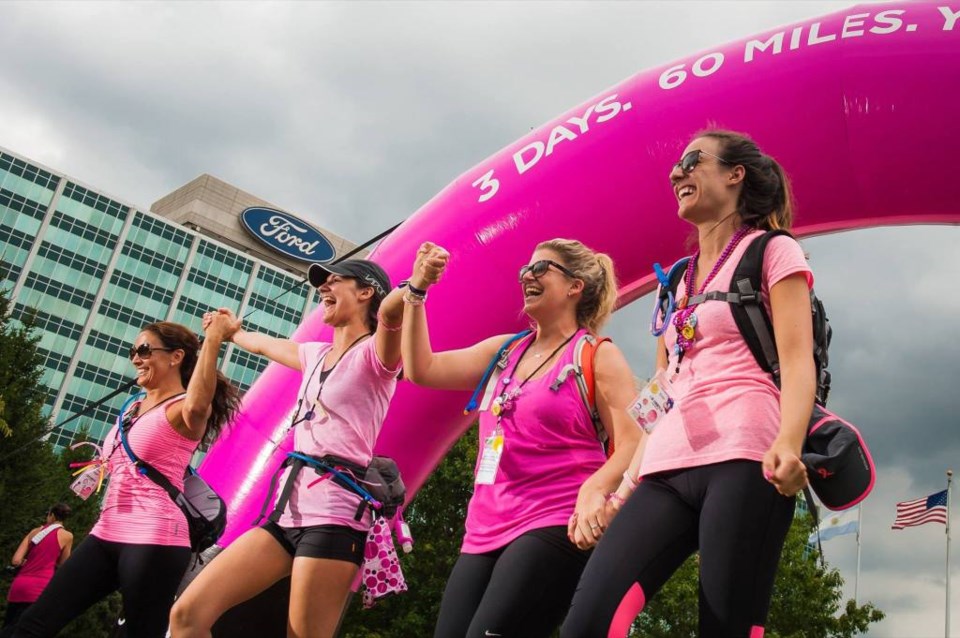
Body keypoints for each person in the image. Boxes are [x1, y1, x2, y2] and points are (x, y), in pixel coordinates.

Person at [560, 130, 815, 638]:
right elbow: (662, 388)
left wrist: (789, 444)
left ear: (734, 174)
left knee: (725, 628)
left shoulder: (773, 250)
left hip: (746, 459)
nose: (677, 173)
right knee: (586, 622)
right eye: (677, 166)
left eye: (691, 161)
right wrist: (620, 491)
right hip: (665, 469)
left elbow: (797, 358)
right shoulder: (678, 282)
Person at [402, 239, 642, 638]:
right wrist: (416, 290)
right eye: (525, 270)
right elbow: (421, 368)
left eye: (542, 268)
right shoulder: (505, 351)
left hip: (553, 521)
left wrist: (597, 490)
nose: (527, 276)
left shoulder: (596, 356)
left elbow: (633, 442)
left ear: (574, 286)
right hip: (482, 530)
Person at [170, 259, 409, 638]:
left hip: (334, 518)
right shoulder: (313, 354)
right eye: (322, 283)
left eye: (334, 281)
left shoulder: (378, 356)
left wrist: (418, 285)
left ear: (366, 292)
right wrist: (231, 331)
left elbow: (393, 315)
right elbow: (263, 344)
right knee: (186, 615)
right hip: (284, 516)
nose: (323, 288)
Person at [12, 320, 240, 638]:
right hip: (107, 532)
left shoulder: (182, 409)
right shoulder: (132, 406)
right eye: (133, 350)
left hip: (155, 539)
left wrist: (213, 338)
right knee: (33, 624)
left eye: (145, 350)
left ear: (176, 357)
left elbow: (199, 402)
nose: (136, 357)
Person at [0, 505, 73, 636]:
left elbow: (16, 560)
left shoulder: (35, 532)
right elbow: (64, 564)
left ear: (52, 515)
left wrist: (26, 562)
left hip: (19, 586)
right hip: (40, 589)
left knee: (8, 626)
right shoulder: (67, 536)